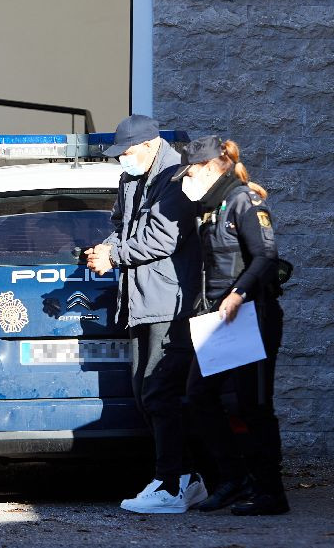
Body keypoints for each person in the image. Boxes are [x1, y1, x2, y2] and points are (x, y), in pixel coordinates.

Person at [85, 114, 205, 514]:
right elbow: (121, 224)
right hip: (141, 301)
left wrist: (114, 255)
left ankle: (172, 484)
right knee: (146, 392)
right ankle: (184, 478)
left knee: (160, 392)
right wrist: (105, 248)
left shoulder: (175, 178)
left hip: (168, 303)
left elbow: (163, 238)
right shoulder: (132, 178)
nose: (123, 159)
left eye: (128, 151)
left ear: (151, 145)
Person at [174, 135, 289, 516]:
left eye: (190, 172)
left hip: (251, 316)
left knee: (253, 405)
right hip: (219, 319)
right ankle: (234, 479)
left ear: (210, 167)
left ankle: (270, 492)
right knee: (199, 396)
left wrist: (238, 294)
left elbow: (266, 256)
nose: (187, 179)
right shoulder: (211, 207)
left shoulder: (244, 200)